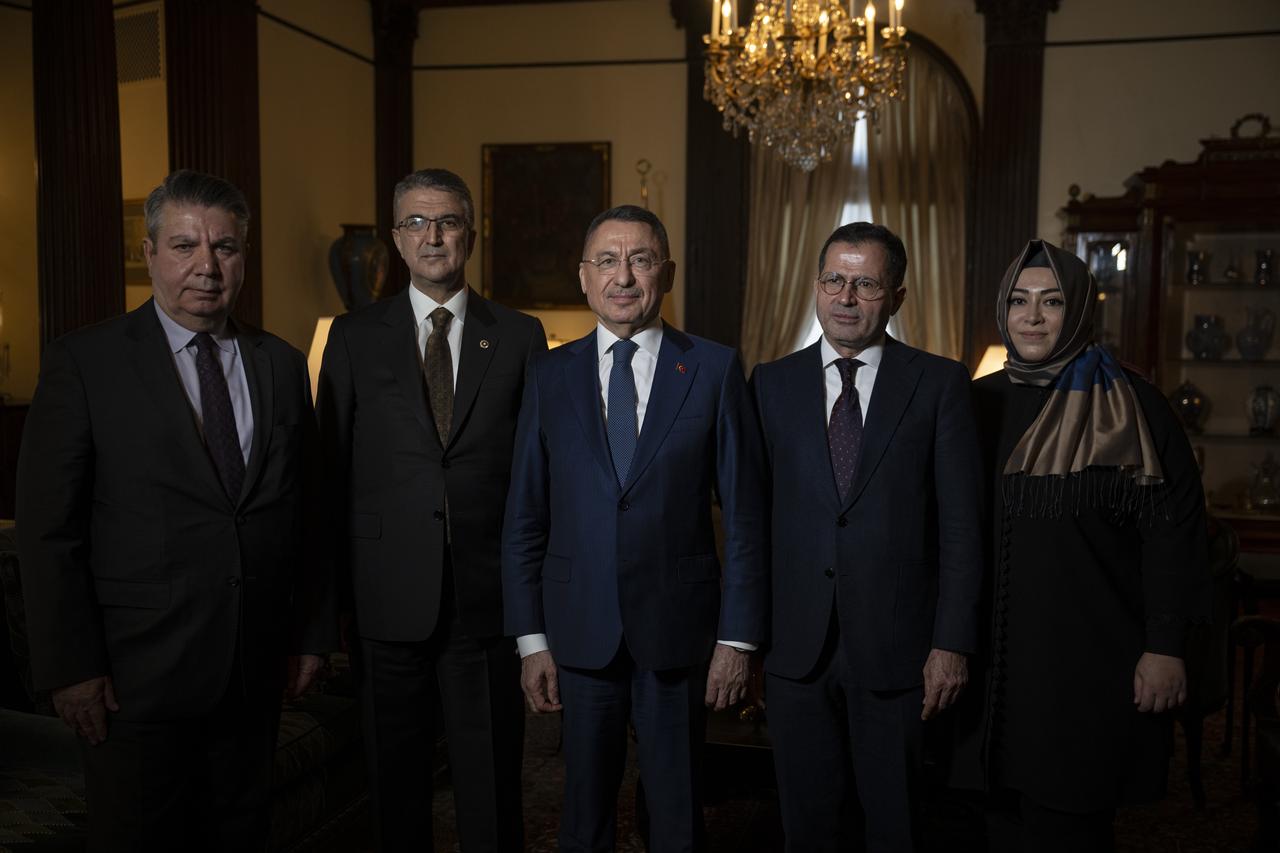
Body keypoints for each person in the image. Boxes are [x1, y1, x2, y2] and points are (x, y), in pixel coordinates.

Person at [16, 169, 334, 852]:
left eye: (224, 247)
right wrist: (70, 666)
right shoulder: (86, 362)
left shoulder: (279, 364)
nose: (206, 266)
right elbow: (49, 531)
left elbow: (306, 514)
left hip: (251, 669)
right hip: (133, 679)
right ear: (150, 252)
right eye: (185, 245)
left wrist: (310, 632)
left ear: (243, 258)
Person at [502, 204, 767, 852]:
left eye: (641, 259)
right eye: (608, 261)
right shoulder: (548, 375)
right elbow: (525, 516)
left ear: (666, 273)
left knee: (678, 817)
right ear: (584, 278)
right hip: (580, 631)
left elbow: (747, 517)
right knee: (582, 816)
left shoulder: (713, 368)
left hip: (680, 633)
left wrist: (738, 639)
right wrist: (531, 640)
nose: (624, 276)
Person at [951, 239, 1208, 852]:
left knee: (1070, 822)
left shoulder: (1135, 407)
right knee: (991, 817)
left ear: (1081, 311)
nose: (1031, 317)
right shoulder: (973, 403)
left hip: (1088, 660)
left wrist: (1165, 646)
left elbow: (1174, 534)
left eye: (1051, 301)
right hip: (990, 663)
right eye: (1018, 300)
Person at [316, 168, 545, 852]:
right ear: (395, 238)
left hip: (487, 601)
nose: (432, 235)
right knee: (395, 783)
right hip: (385, 600)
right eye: (416, 222)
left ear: (469, 233)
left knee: (492, 785)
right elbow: (328, 477)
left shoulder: (520, 336)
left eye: (446, 221)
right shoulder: (354, 336)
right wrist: (330, 612)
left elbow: (538, 477)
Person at [750, 221, 984, 852]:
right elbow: (750, 524)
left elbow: (963, 529)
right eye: (833, 280)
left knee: (896, 826)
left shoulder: (939, 384)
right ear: (816, 287)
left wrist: (952, 644)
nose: (846, 297)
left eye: (866, 284)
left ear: (898, 297)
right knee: (807, 826)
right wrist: (744, 639)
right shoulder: (770, 384)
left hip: (900, 650)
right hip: (796, 650)